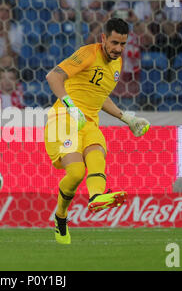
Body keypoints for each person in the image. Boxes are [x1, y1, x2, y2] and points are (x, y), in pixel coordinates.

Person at [44, 18, 151, 244]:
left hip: (89, 123)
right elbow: (53, 76)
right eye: (114, 43)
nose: (118, 49)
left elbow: (98, 96)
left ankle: (96, 197)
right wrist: (71, 106)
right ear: (103, 38)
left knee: (97, 154)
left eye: (122, 44)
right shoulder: (87, 54)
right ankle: (60, 216)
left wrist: (126, 117)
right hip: (62, 119)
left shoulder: (117, 64)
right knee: (75, 173)